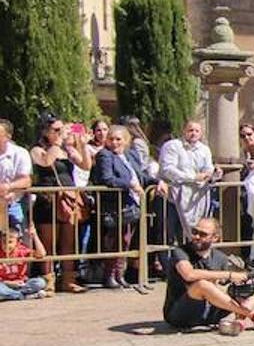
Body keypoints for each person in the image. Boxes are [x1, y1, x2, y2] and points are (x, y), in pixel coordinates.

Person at [162, 217, 254, 335]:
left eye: (203, 234)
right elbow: (189, 274)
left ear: (215, 238)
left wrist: (243, 280)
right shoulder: (180, 251)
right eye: (195, 232)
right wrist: (229, 274)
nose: (197, 237)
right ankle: (252, 314)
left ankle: (238, 322)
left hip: (211, 314)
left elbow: (232, 283)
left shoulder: (220, 258)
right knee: (202, 285)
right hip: (181, 315)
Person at [31, 114, 92, 293]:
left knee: (69, 242)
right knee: (48, 242)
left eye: (61, 129)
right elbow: (45, 162)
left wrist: (81, 144)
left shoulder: (66, 149)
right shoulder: (37, 149)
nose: (60, 133)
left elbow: (86, 165)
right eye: (55, 130)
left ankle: (68, 279)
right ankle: (48, 280)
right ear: (45, 131)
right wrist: (56, 144)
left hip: (67, 198)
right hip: (48, 199)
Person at [90, 125, 147, 289]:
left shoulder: (130, 155)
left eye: (118, 139)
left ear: (126, 140)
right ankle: (109, 275)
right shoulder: (105, 156)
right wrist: (129, 185)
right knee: (115, 240)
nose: (114, 143)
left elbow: (141, 175)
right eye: (111, 139)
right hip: (115, 204)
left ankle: (120, 274)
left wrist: (158, 182)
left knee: (126, 240)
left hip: (132, 203)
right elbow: (107, 179)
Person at [157, 121, 218, 264]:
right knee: (169, 235)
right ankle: (169, 268)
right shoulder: (172, 146)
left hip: (196, 198)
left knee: (192, 234)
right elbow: (168, 169)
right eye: (190, 130)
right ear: (184, 131)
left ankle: (191, 264)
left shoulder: (204, 149)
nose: (194, 133)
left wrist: (212, 174)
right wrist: (192, 177)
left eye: (197, 131)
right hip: (173, 197)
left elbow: (208, 168)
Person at [0, 118, 33, 232]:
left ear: (8, 137)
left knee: (16, 238)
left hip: (13, 203)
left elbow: (26, 180)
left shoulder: (20, 153)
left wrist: (8, 187)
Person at [0, 227, 49, 300]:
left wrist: (34, 235)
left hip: (22, 283)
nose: (6, 245)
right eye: (3, 242)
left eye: (10, 242)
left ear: (18, 242)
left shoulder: (21, 250)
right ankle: (25, 296)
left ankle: (13, 295)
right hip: (5, 284)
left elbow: (42, 254)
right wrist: (8, 283)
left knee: (40, 282)